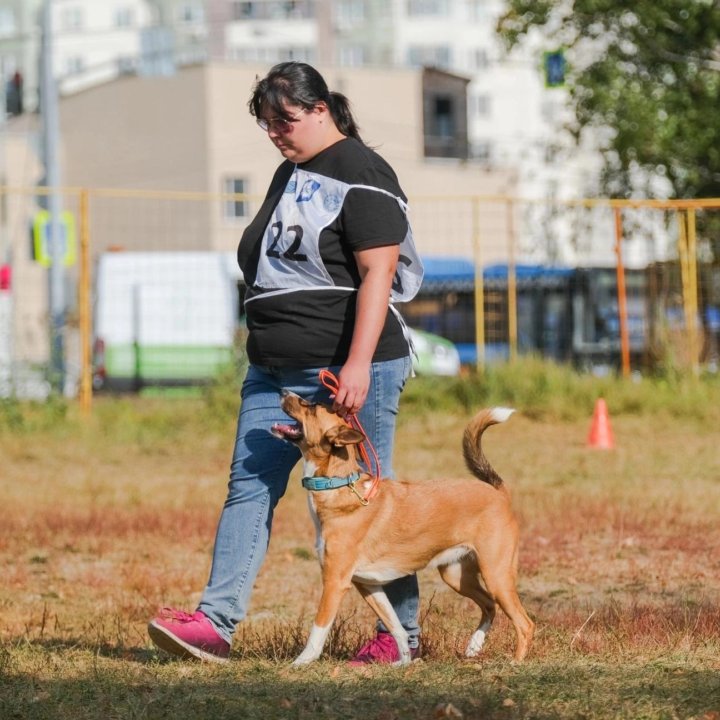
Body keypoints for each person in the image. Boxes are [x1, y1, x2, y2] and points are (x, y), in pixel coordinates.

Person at [147, 61, 424, 665]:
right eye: (267, 123)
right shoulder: (287, 174)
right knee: (248, 486)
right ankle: (215, 625)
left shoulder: (362, 171)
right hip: (272, 370)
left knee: (368, 500)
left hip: (345, 370)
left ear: (320, 109)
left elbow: (380, 273)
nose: (276, 132)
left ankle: (400, 638)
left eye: (286, 120)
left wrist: (355, 365)